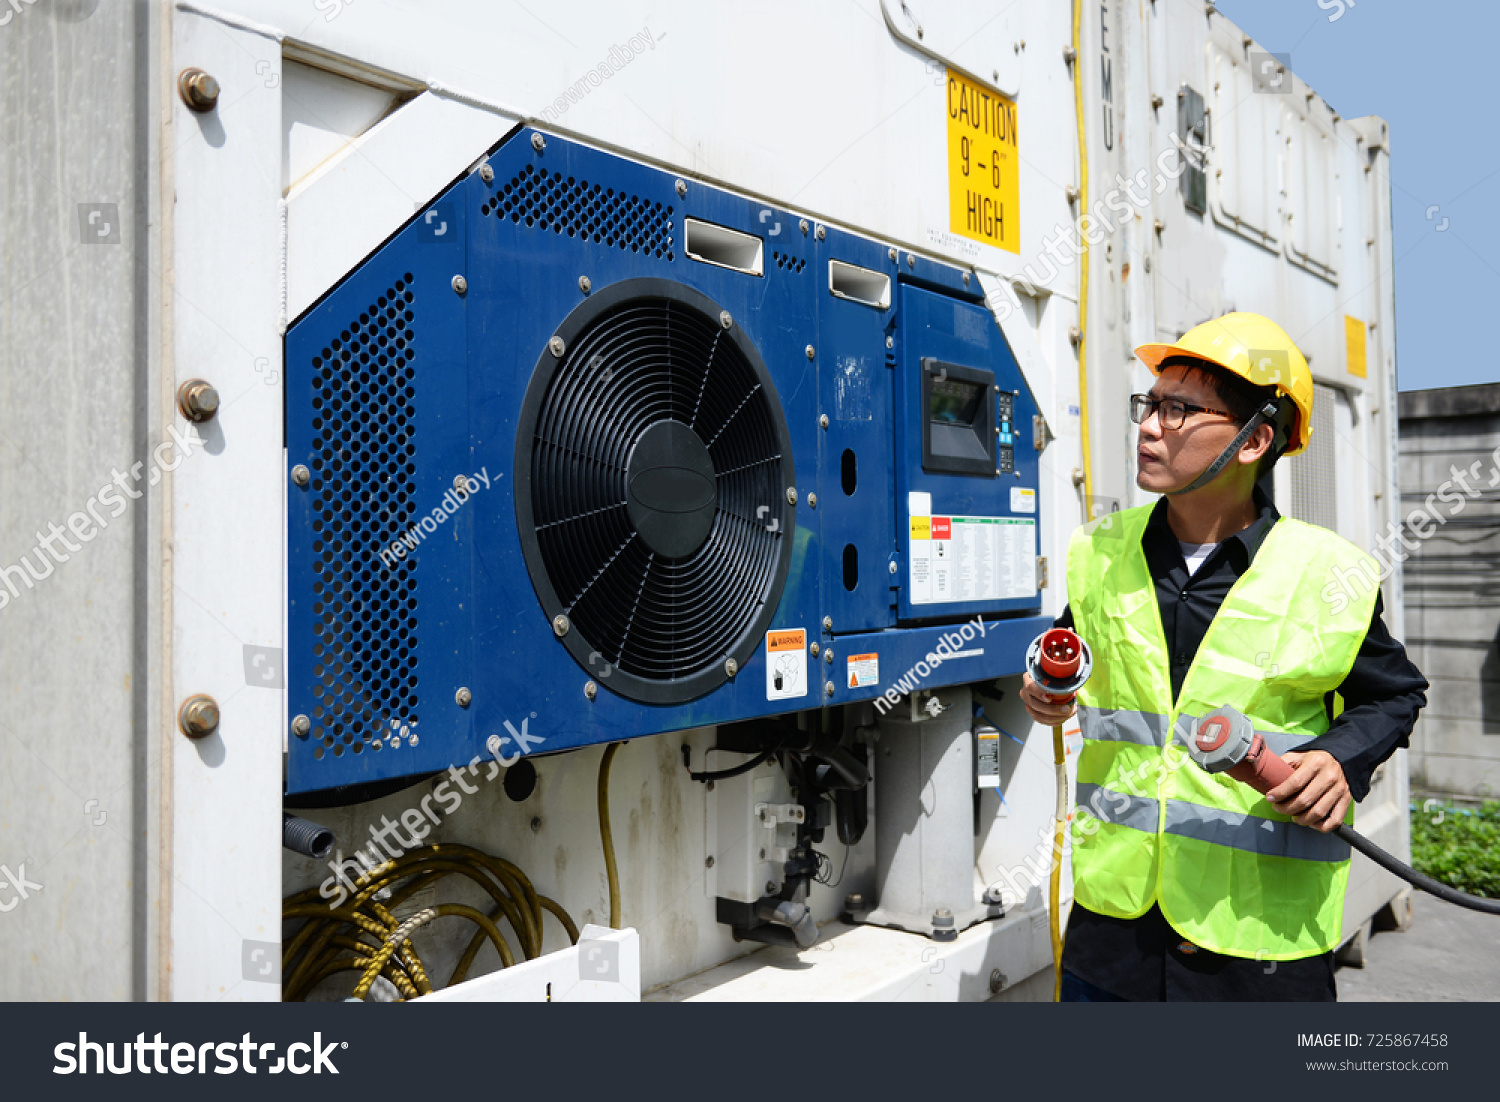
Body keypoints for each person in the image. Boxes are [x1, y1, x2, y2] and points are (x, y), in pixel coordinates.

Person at [1019, 312, 1428, 1002]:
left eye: (1178, 410)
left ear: (1254, 440)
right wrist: (1046, 688)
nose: (1149, 426)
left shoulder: (1328, 573)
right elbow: (1076, 655)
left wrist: (1338, 759)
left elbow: (1393, 694)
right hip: (1113, 928)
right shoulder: (1100, 552)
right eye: (1148, 404)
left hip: (1255, 942)